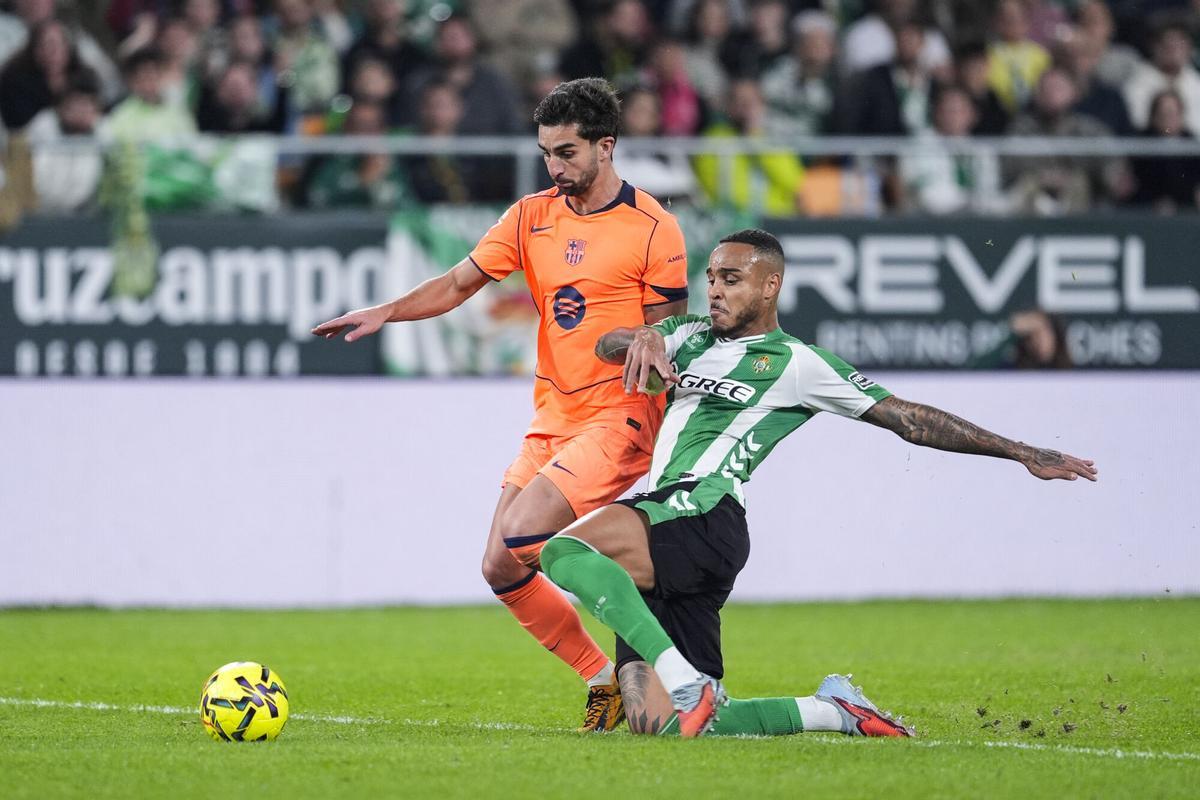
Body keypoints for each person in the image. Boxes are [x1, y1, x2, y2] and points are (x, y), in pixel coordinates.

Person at [539, 228, 1097, 736]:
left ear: (769, 285)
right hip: (672, 525)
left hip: (701, 511)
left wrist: (1020, 450)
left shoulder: (797, 363)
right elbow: (606, 345)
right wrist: (644, 337)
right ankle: (833, 711)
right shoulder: (685, 334)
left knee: (563, 549)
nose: (714, 291)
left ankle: (683, 677)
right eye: (710, 279)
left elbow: (908, 419)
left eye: (731, 280)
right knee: (661, 726)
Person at [310, 78, 690, 732]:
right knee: (499, 565)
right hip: (554, 416)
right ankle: (601, 677)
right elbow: (460, 283)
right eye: (546, 152)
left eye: (568, 152)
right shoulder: (530, 215)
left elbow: (670, 335)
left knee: (525, 534)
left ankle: (657, 637)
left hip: (620, 417)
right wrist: (386, 311)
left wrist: (658, 352)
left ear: (607, 146)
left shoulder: (654, 228)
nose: (555, 166)